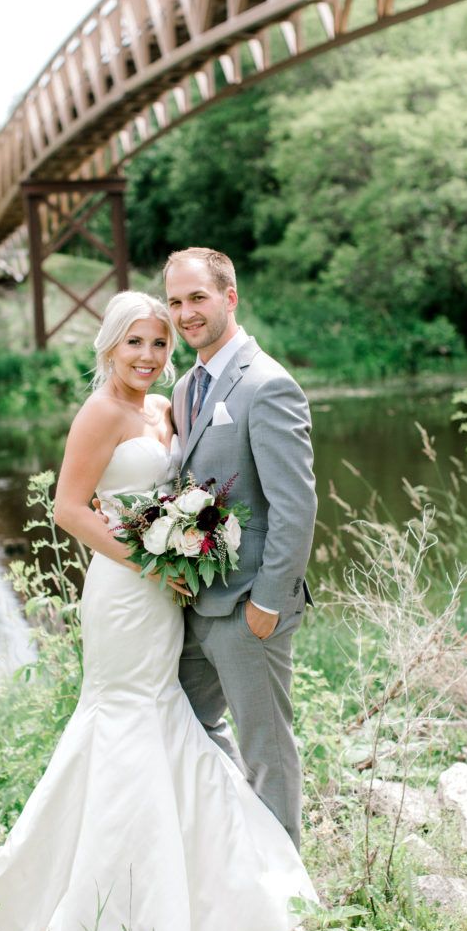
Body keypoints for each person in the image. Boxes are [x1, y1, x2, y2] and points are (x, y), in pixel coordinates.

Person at [0, 290, 316, 931]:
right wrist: (149, 557)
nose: (149, 356)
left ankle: (199, 888)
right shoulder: (100, 413)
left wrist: (187, 545)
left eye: (159, 343)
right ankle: (94, 911)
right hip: (125, 593)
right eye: (135, 344)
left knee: (171, 720)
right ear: (110, 349)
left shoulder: (168, 406)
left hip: (168, 594)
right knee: (123, 720)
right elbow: (68, 509)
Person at [164, 248, 317, 850]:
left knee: (267, 746)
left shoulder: (268, 384)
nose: (185, 313)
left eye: (197, 298)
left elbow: (294, 506)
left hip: (251, 604)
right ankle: (236, 855)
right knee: (185, 725)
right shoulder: (184, 389)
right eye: (175, 302)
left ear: (229, 297)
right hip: (195, 603)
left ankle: (288, 890)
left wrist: (270, 603)